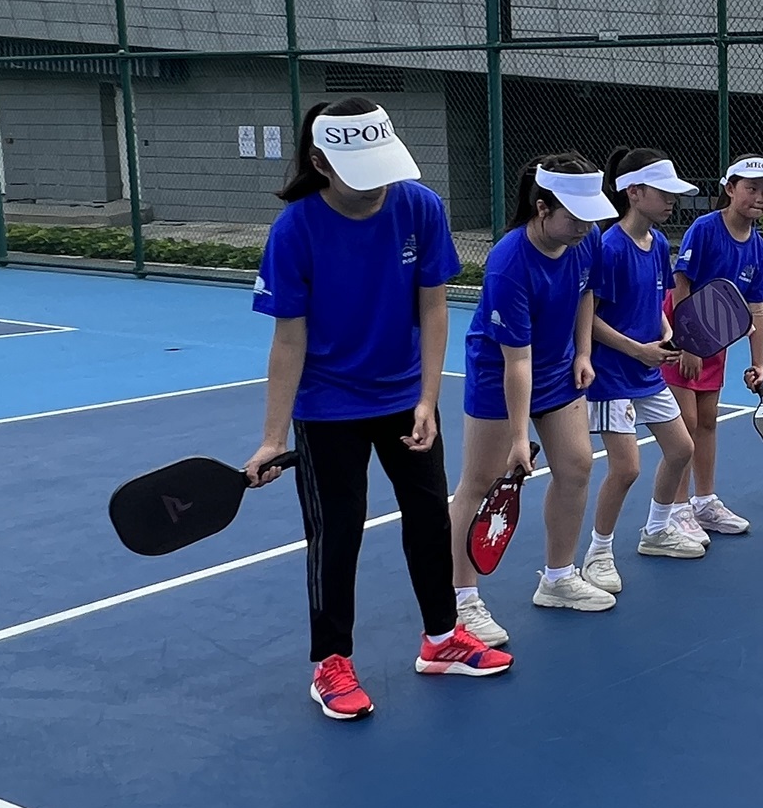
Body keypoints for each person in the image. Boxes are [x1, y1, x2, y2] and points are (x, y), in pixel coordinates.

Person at [244, 98, 512, 722]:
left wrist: (427, 399)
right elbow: (288, 341)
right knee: (336, 533)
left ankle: (442, 639)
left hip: (403, 399)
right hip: (327, 406)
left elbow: (434, 307)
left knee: (429, 518)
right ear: (321, 163)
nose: (377, 186)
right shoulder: (295, 230)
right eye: (361, 173)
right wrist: (272, 437)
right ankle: (330, 662)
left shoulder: (420, 207)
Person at [447, 153, 618, 643]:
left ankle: (558, 578)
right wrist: (519, 439)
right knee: (480, 481)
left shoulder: (587, 240)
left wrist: (583, 352)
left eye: (590, 216)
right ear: (542, 208)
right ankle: (461, 601)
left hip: (558, 368)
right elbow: (516, 362)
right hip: (500, 373)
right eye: (575, 216)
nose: (585, 226)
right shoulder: (508, 263)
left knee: (577, 466)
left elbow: (586, 293)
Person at [582, 147, 706, 591]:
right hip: (612, 377)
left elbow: (656, 303)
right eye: (663, 192)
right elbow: (588, 318)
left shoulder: (657, 246)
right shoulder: (610, 247)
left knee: (681, 449)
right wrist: (638, 350)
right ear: (634, 193)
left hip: (647, 372)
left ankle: (656, 531)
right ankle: (598, 553)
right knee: (626, 468)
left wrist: (667, 331)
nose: (672, 200)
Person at [661, 154, 763, 539]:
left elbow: (755, 309)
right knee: (686, 424)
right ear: (730, 189)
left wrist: (759, 363)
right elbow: (680, 286)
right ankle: (677, 509)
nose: (759, 197)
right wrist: (688, 343)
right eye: (751, 188)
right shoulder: (705, 229)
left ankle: (704, 502)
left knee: (708, 421)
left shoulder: (758, 248)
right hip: (681, 335)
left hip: (717, 340)